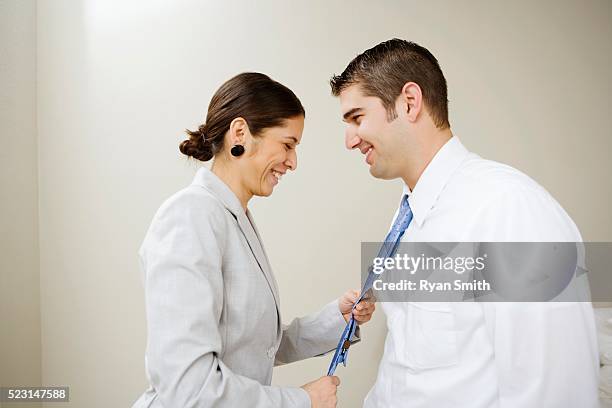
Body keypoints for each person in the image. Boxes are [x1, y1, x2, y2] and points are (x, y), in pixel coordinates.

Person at [329, 39, 599, 407]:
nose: (349, 140)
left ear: (409, 102)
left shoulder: (511, 212)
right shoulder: (409, 214)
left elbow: (556, 392)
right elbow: (410, 370)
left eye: (357, 118)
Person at [132, 72, 375, 408]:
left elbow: (254, 346)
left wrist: (338, 319)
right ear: (241, 133)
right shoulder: (189, 217)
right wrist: (302, 401)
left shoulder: (234, 217)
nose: (292, 162)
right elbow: (188, 386)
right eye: (287, 144)